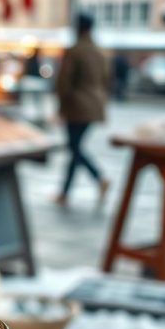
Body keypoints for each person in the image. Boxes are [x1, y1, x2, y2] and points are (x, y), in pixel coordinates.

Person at [55, 13, 110, 206]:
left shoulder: (75, 51)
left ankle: (98, 177)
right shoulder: (99, 52)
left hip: (77, 106)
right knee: (75, 148)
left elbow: (64, 83)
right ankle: (65, 192)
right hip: (95, 106)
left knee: (74, 148)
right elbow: (105, 81)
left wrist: (61, 108)